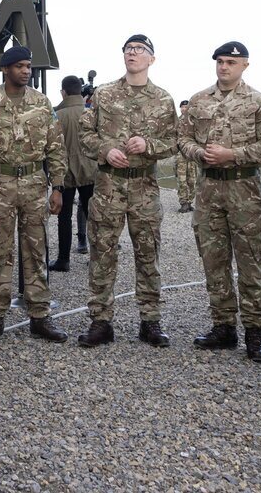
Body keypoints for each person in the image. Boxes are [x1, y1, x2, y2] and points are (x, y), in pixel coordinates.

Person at [179, 42, 261, 362]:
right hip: (209, 190)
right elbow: (183, 139)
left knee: (251, 261)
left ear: (244, 65)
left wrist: (231, 155)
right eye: (220, 62)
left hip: (244, 189)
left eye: (231, 62)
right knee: (214, 260)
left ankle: (254, 330)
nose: (224, 67)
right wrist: (200, 153)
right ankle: (223, 326)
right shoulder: (198, 101)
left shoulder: (258, 102)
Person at [77, 34, 177, 348]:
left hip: (145, 187)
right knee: (103, 253)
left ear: (152, 58)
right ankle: (101, 321)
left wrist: (150, 145)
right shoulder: (104, 94)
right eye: (128, 49)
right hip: (108, 186)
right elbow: (84, 133)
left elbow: (175, 141)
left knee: (148, 254)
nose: (133, 54)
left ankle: (150, 321)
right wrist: (105, 150)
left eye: (140, 50)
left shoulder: (162, 99)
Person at [0, 46, 68, 344]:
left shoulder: (42, 103)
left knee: (35, 250)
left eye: (28, 66)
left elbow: (55, 147)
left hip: (33, 183)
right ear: (6, 69)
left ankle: (40, 316)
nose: (26, 71)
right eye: (19, 66)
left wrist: (57, 187)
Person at [50, 75, 97, 272]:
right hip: (90, 171)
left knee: (64, 217)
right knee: (93, 214)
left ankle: (63, 259)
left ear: (63, 92)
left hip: (65, 171)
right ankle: (97, 257)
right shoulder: (91, 113)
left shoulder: (56, 115)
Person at [175, 100, 199, 213]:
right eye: (182, 107)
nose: (184, 109)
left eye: (186, 107)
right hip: (180, 155)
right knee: (182, 180)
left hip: (192, 155)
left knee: (192, 180)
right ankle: (183, 202)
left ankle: (190, 202)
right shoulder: (176, 122)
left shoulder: (194, 121)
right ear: (180, 109)